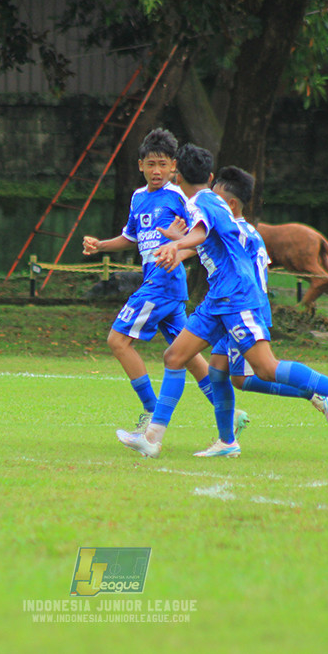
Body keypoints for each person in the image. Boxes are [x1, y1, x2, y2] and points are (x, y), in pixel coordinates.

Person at [116, 144, 328, 459]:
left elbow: (198, 234)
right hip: (217, 298)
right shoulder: (205, 202)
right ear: (207, 176)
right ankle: (162, 439)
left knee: (264, 368)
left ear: (176, 172)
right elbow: (202, 239)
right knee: (177, 357)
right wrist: (176, 247)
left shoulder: (203, 202)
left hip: (235, 297)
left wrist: (176, 243)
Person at [82, 128, 240, 436]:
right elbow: (131, 237)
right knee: (188, 355)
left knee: (117, 341)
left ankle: (151, 412)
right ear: (140, 165)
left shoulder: (182, 197)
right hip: (166, 286)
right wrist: (101, 245)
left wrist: (178, 250)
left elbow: (200, 237)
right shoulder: (139, 198)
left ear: (174, 169)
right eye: (151, 164)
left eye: (164, 164)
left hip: (163, 283)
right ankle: (230, 414)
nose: (157, 171)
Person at [188, 166, 328, 458]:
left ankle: (316, 390)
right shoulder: (248, 231)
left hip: (240, 308)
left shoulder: (235, 232)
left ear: (229, 204)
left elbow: (242, 274)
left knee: (257, 371)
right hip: (235, 307)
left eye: (216, 200)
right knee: (232, 376)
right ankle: (227, 440)